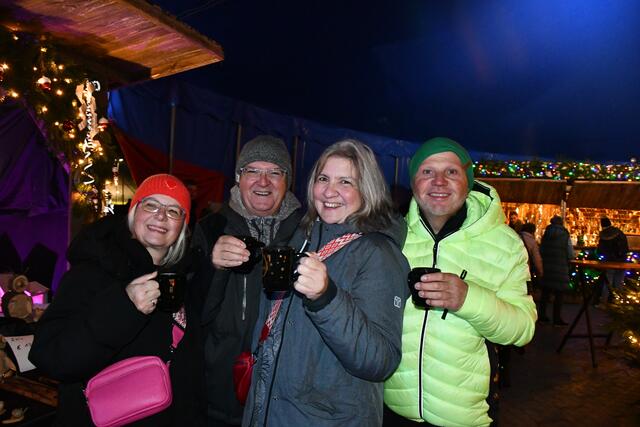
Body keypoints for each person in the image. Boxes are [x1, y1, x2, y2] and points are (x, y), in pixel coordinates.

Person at [242, 139, 409, 426]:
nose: (330, 191)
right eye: (323, 179)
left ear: (367, 190)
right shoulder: (303, 236)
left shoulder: (379, 254)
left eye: (345, 181)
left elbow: (381, 361)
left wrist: (326, 297)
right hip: (269, 409)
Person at [29, 174, 205, 426]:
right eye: (151, 205)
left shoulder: (182, 280)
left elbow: (190, 374)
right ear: (134, 212)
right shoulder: (92, 272)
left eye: (173, 211)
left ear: (182, 226)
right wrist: (124, 307)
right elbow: (51, 357)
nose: (161, 216)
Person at [384, 137, 536, 426]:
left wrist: (468, 299)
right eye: (427, 171)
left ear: (468, 181)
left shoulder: (505, 243)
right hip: (391, 409)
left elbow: (523, 328)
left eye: (451, 171)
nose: (439, 181)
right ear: (414, 183)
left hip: (466, 416)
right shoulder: (393, 235)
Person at [194, 135, 303, 426]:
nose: (263, 181)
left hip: (286, 395)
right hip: (220, 392)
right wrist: (213, 266)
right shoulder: (210, 229)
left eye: (275, 172)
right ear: (238, 177)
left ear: (288, 181)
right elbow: (190, 315)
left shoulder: (307, 234)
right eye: (252, 170)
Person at [538, 215, 575, 325]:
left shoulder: (546, 233)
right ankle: (557, 318)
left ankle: (542, 316)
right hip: (560, 267)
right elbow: (570, 252)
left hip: (547, 266)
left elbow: (541, 249)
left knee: (545, 292)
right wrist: (570, 258)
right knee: (559, 293)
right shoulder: (565, 234)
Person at [594, 217, 629, 305]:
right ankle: (620, 303)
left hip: (610, 262)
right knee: (619, 283)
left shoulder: (604, 235)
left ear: (602, 225)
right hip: (622, 261)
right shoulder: (619, 232)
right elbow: (626, 248)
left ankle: (604, 302)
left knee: (607, 283)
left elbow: (600, 251)